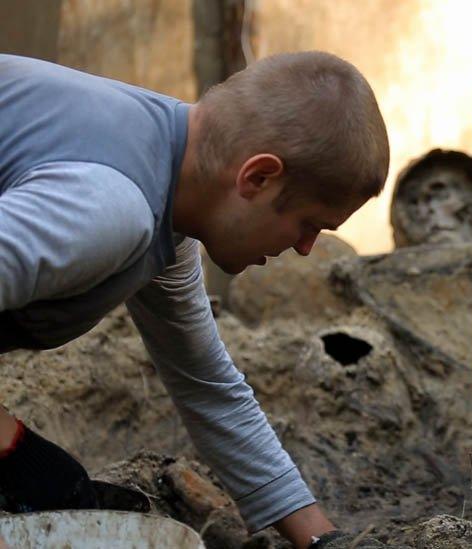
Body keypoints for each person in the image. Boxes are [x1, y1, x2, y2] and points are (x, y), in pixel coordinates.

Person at [0, 51, 389, 548]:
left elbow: (206, 386)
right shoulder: (110, 208)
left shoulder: (169, 199)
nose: (306, 248)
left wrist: (319, 540)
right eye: (309, 223)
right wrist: (14, 446)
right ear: (258, 177)